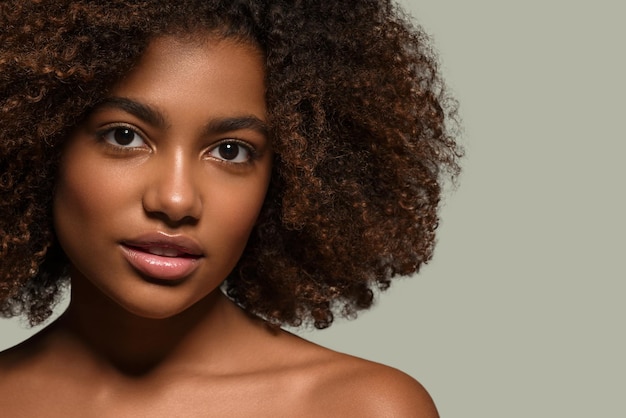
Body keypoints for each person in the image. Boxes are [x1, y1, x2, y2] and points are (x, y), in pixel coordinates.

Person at [0, 0, 460, 416]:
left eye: (231, 151)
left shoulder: (360, 408)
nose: (177, 200)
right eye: (125, 136)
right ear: (37, 147)